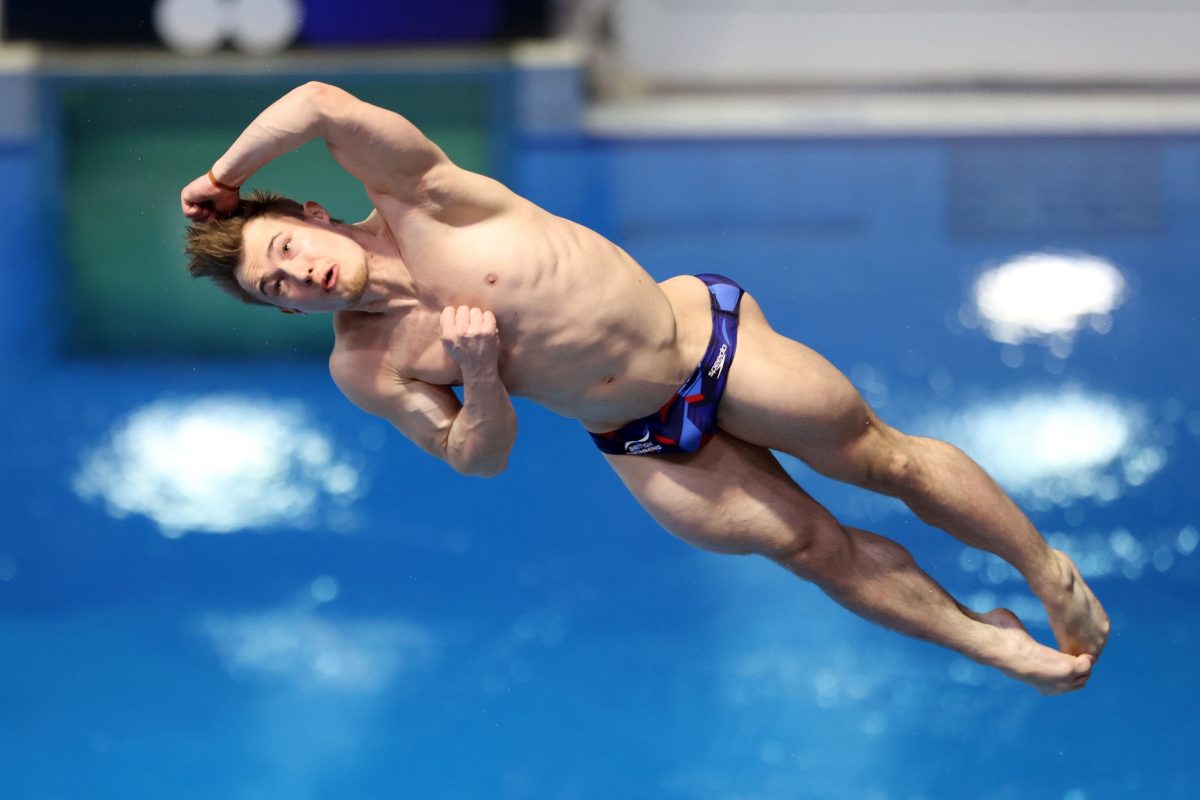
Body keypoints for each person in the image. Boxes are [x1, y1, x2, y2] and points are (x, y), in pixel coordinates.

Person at [181, 82, 1109, 694]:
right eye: (277, 288)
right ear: (286, 315)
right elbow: (477, 460)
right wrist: (477, 377)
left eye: (287, 249)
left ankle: (1046, 571)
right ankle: (986, 642)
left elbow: (313, 101)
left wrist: (224, 179)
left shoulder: (423, 195)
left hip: (702, 341)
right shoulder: (368, 365)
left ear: (309, 215)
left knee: (880, 458)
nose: (299, 276)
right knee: (815, 550)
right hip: (638, 436)